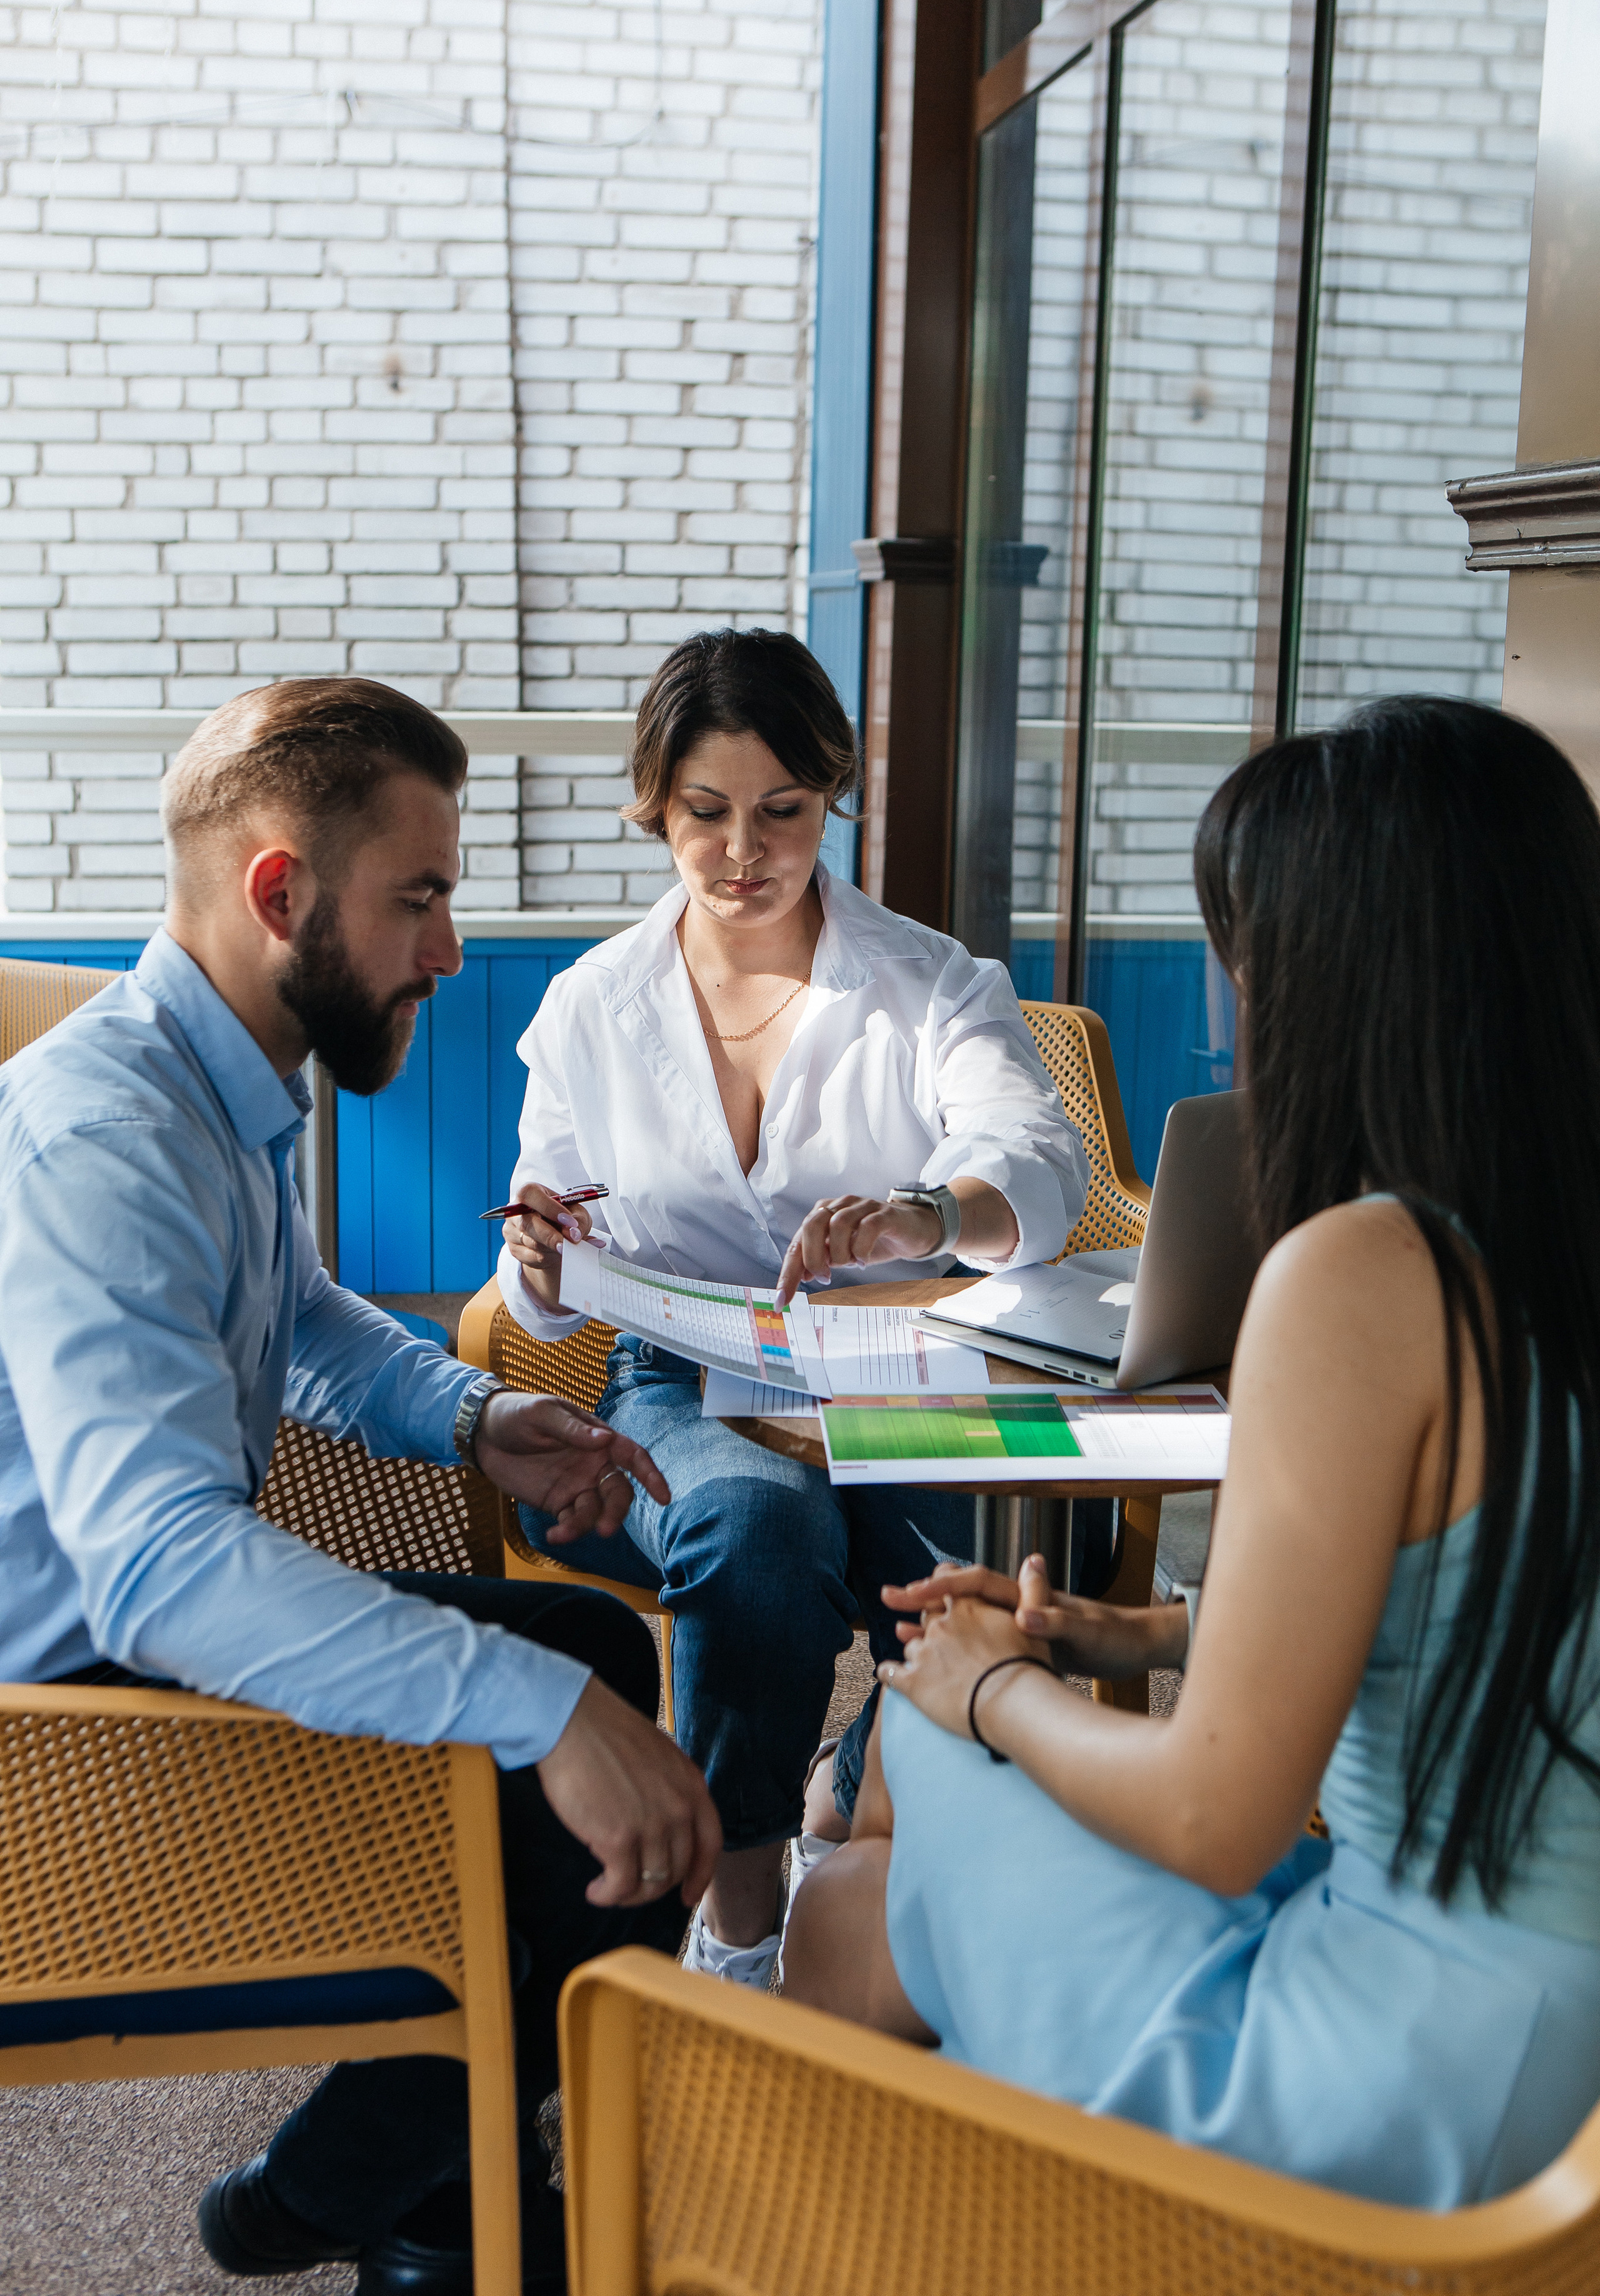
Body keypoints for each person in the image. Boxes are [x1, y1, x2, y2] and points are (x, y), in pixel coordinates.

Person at [783, 695, 1600, 2209]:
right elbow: (1501, 1609)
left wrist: (1000, 1687)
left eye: (1236, 943)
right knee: (912, 1821)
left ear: (1336, 975)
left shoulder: (1363, 1273)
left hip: (1413, 2080)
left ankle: (851, 2197)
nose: (1224, 996)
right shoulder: (1548, 1247)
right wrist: (1137, 1629)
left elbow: (1217, 1819)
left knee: (893, 1788)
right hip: (1559, 2050)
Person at [0, 676, 721, 2296]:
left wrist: (477, 1421)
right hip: (55, 1745)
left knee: (601, 1667)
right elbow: (164, 1571)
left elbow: (304, 1318)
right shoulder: (102, 1137)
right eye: (425, 898)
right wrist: (533, 1712)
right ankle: (385, 2208)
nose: (451, 952)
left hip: (133, 1658)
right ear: (282, 892)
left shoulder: (227, 1085)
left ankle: (381, 2196)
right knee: (570, 1772)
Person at [496, 627, 1091, 1987]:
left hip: (900, 1366)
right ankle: (744, 1911)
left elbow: (1042, 1168)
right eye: (704, 813)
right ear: (655, 804)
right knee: (760, 1528)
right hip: (680, 1378)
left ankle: (844, 1791)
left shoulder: (932, 983)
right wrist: (536, 1266)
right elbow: (535, 1281)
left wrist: (928, 1216)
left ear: (831, 799)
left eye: (784, 811)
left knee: (994, 1567)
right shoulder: (590, 1007)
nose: (743, 852)